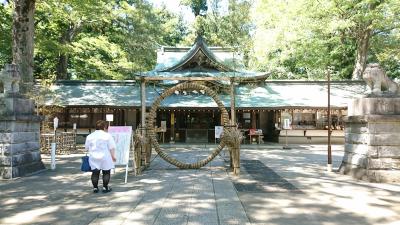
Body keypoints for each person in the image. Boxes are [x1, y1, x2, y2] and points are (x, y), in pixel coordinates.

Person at [85, 120, 117, 193]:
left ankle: (95, 188)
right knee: (106, 172)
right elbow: (112, 147)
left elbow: (86, 147)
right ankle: (105, 187)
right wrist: (113, 156)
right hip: (105, 157)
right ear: (104, 127)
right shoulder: (107, 135)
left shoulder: (90, 136)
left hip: (93, 157)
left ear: (95, 127)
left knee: (95, 173)